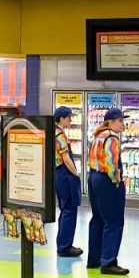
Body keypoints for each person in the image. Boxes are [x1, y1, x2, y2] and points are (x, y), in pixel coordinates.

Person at [86, 108, 128, 275]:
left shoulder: (98, 136)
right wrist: (117, 181)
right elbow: (111, 164)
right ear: (110, 122)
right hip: (106, 181)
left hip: (93, 177)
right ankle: (109, 261)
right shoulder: (112, 138)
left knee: (97, 219)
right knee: (114, 221)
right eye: (120, 121)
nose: (123, 125)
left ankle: (94, 258)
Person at [53, 106, 83, 258]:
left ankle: (62, 244)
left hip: (58, 175)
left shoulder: (52, 132)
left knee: (64, 209)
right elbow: (66, 158)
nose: (71, 120)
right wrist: (76, 174)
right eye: (69, 117)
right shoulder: (60, 136)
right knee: (69, 210)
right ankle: (65, 247)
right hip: (65, 175)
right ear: (61, 119)